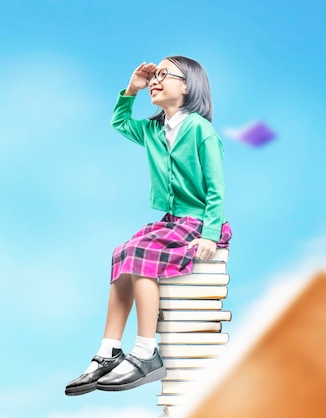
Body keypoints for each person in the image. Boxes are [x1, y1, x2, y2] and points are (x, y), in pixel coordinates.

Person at [65, 56, 232, 396]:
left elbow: (217, 188)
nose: (155, 80)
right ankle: (109, 350)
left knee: (142, 253)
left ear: (187, 86)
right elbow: (119, 122)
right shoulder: (154, 131)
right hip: (171, 222)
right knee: (122, 252)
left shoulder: (201, 130)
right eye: (153, 75)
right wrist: (131, 89)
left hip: (198, 222)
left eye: (164, 75)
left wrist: (210, 234)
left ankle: (145, 351)